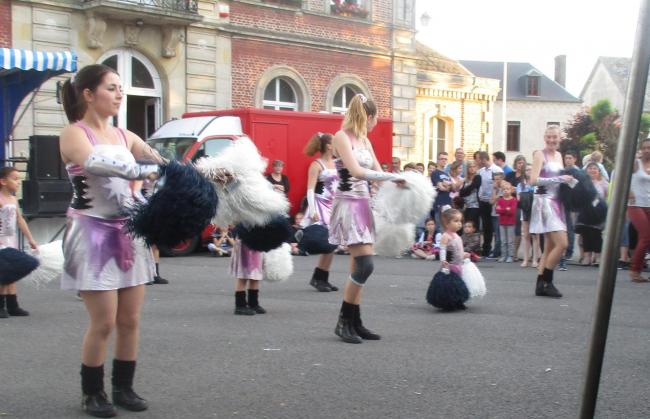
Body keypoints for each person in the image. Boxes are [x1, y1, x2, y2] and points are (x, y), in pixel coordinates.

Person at [59, 64, 164, 417]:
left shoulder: (125, 135)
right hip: (91, 232)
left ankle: (124, 387)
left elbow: (164, 163)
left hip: (129, 232)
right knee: (103, 321)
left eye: (122, 88)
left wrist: (208, 175)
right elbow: (94, 163)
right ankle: (92, 392)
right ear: (89, 94)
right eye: (112, 88)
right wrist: (142, 169)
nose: (121, 94)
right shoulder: (74, 133)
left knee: (130, 320)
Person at [328, 94, 404, 344]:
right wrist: (391, 179)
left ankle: (354, 322)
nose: (375, 124)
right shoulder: (341, 137)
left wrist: (401, 184)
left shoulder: (365, 140)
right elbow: (358, 172)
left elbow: (378, 173)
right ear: (368, 116)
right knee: (365, 265)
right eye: (375, 118)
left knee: (357, 265)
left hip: (362, 205)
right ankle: (343, 321)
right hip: (348, 203)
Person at [529, 125, 574, 298]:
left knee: (549, 246)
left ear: (559, 138)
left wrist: (570, 182)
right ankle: (548, 281)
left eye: (554, 137)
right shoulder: (540, 155)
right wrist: (559, 178)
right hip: (545, 202)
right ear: (544, 138)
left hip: (557, 202)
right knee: (562, 244)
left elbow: (560, 181)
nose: (551, 140)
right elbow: (533, 180)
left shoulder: (559, 155)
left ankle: (540, 283)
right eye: (549, 137)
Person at [302, 132, 340, 291]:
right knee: (328, 243)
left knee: (333, 244)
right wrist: (312, 210)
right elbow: (310, 189)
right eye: (335, 142)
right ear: (329, 146)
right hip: (320, 205)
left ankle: (321, 277)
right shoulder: (316, 165)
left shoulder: (338, 162)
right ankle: (319, 278)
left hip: (334, 205)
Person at [0, 167, 38, 318]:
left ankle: (12, 305)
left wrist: (30, 239)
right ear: (3, 181)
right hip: (1, 240)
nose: (18, 182)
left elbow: (20, 220)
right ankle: (1, 305)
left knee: (12, 271)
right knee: (3, 272)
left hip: (11, 239)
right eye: (14, 179)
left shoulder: (13, 199)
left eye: (19, 179)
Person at [627, 138, 650, 282]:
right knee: (646, 236)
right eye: (645, 148)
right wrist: (628, 191)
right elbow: (620, 175)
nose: (647, 150)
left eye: (649, 148)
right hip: (635, 205)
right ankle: (635, 270)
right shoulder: (636, 163)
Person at [577, 162, 608, 266]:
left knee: (596, 234)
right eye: (590, 169)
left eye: (595, 169)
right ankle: (587, 256)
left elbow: (607, 197)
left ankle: (598, 256)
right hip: (585, 212)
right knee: (586, 234)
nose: (592, 170)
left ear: (599, 171)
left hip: (598, 213)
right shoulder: (582, 182)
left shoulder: (604, 183)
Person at [559, 150, 580, 270]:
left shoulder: (577, 172)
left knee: (570, 228)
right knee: (564, 228)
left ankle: (569, 251)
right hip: (563, 203)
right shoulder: (562, 171)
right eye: (566, 158)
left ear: (575, 159)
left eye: (570, 158)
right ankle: (563, 251)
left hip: (573, 204)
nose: (567, 160)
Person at [517, 164, 540, 268]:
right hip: (525, 211)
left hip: (535, 211)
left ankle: (535, 259)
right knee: (526, 235)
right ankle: (526, 259)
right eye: (527, 170)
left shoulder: (537, 183)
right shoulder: (521, 185)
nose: (529, 171)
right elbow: (518, 198)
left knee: (535, 235)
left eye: (531, 169)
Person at [477, 151, 499, 257]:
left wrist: (494, 198)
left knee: (494, 226)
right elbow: (481, 185)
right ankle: (486, 249)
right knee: (486, 226)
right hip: (483, 201)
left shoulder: (496, 170)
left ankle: (497, 249)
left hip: (493, 202)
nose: (478, 162)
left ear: (483, 159)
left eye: (479, 159)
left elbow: (499, 186)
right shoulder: (481, 171)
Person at [506, 155, 526, 261]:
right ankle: (507, 251)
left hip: (519, 205)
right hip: (507, 204)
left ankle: (515, 253)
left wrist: (513, 188)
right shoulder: (510, 174)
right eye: (518, 162)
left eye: (522, 162)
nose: (520, 164)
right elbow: (504, 184)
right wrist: (512, 188)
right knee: (508, 228)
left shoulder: (525, 176)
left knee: (517, 228)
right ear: (515, 163)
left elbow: (523, 189)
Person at [495, 182, 517, 262]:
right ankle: (504, 255)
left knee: (510, 241)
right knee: (503, 240)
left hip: (511, 223)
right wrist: (506, 209)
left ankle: (510, 256)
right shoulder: (500, 200)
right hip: (502, 222)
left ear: (511, 190)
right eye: (504, 189)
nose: (505, 191)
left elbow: (512, 211)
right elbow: (497, 210)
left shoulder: (513, 200)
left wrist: (503, 210)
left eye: (507, 189)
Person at [430, 152, 452, 232]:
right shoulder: (435, 173)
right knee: (440, 229)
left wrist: (446, 184)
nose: (443, 161)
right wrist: (447, 185)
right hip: (439, 204)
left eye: (445, 159)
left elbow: (452, 188)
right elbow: (442, 188)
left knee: (447, 229)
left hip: (448, 204)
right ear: (438, 160)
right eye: (442, 159)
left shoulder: (447, 174)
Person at [459, 160, 481, 228]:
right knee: (465, 224)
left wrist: (466, 191)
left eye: (474, 166)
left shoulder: (478, 177)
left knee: (472, 225)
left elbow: (472, 187)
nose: (472, 168)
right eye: (470, 167)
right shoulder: (465, 179)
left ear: (476, 168)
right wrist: (466, 191)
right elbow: (461, 193)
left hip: (475, 205)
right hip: (466, 206)